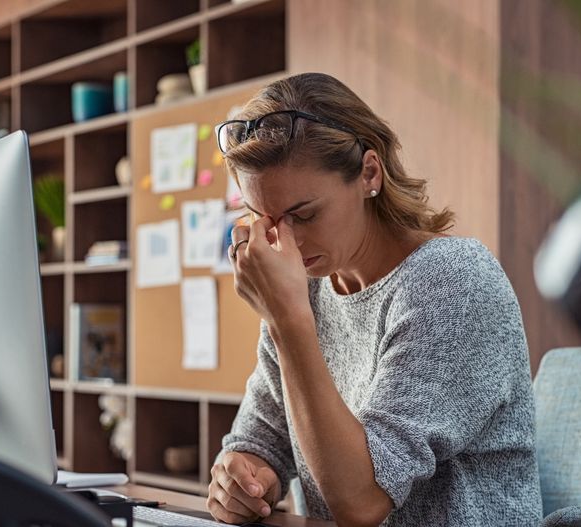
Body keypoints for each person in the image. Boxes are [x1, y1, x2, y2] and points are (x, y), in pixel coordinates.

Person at [208, 72, 542, 526]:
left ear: (369, 173)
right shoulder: (306, 288)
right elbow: (263, 439)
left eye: (303, 214)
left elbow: (361, 501)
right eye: (264, 218)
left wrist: (287, 321)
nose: (282, 240)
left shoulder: (452, 282)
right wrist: (244, 479)